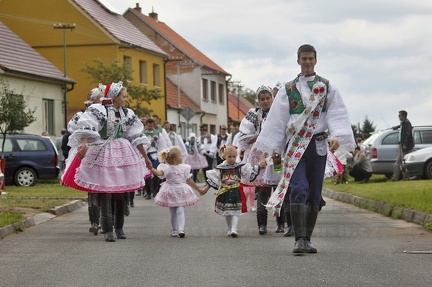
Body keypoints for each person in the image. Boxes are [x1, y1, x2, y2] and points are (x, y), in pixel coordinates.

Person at [256, 44, 355, 254]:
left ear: (316, 60)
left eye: (310, 58)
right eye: (304, 58)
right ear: (298, 60)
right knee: (298, 188)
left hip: (318, 145)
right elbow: (277, 120)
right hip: (295, 146)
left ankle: (307, 238)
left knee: (314, 193)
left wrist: (336, 136)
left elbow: (337, 113)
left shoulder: (327, 87)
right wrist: (275, 147)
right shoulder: (287, 89)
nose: (307, 62)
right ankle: (298, 239)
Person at [62, 81, 152, 242]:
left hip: (121, 151)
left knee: (121, 193)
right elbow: (88, 128)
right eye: (124, 96)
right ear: (115, 97)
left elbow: (135, 137)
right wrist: (85, 146)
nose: (126, 99)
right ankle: (108, 229)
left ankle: (119, 228)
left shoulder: (128, 113)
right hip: (102, 150)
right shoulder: (98, 110)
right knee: (106, 192)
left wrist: (145, 157)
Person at [238, 85, 275, 234]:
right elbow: (243, 137)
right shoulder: (253, 114)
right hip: (260, 155)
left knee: (281, 187)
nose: (265, 101)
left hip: (277, 154)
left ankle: (283, 223)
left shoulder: (279, 112)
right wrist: (258, 136)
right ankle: (262, 224)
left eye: (268, 98)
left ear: (273, 99)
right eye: (262, 99)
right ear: (258, 101)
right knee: (263, 189)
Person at [203, 145, 260, 237]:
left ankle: (234, 229)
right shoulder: (221, 168)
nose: (232, 159)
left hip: (236, 191)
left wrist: (259, 166)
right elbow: (214, 178)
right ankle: (230, 228)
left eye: (234, 156)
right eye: (229, 156)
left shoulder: (239, 166)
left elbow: (249, 172)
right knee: (228, 212)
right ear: (224, 156)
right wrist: (205, 189)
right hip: (224, 191)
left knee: (235, 211)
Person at [150, 146, 206, 238]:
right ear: (175, 160)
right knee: (173, 212)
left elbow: (188, 179)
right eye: (180, 156)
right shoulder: (166, 168)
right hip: (170, 190)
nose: (182, 157)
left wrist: (198, 189)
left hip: (181, 190)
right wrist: (151, 169)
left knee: (180, 210)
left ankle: (181, 229)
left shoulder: (184, 168)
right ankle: (173, 229)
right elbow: (159, 173)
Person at [143, 118, 172, 199]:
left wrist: (164, 154)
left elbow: (163, 145)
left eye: (151, 126)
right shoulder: (142, 134)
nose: (150, 128)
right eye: (148, 126)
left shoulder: (157, 134)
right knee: (146, 174)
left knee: (157, 172)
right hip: (146, 155)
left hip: (155, 155)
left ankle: (155, 190)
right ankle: (148, 191)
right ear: (146, 126)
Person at [390, 110, 414, 181]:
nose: (398, 117)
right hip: (402, 144)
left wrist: (405, 144)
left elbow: (408, 134)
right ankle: (395, 177)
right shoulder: (403, 123)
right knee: (399, 162)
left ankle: (406, 177)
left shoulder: (407, 123)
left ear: (403, 116)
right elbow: (401, 126)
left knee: (404, 162)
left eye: (399, 115)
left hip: (405, 145)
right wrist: (396, 127)